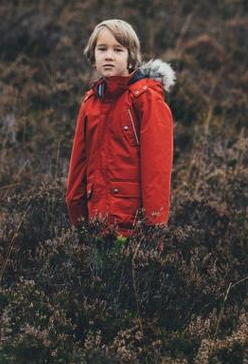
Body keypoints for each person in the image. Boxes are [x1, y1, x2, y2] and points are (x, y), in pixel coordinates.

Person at [65, 19, 175, 244]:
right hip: (96, 224)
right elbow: (78, 166)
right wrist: (79, 221)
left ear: (130, 56)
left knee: (128, 279)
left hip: (132, 227)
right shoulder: (90, 102)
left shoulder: (146, 99)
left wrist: (154, 230)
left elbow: (157, 171)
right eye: (102, 49)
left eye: (118, 49)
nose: (108, 56)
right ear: (93, 56)